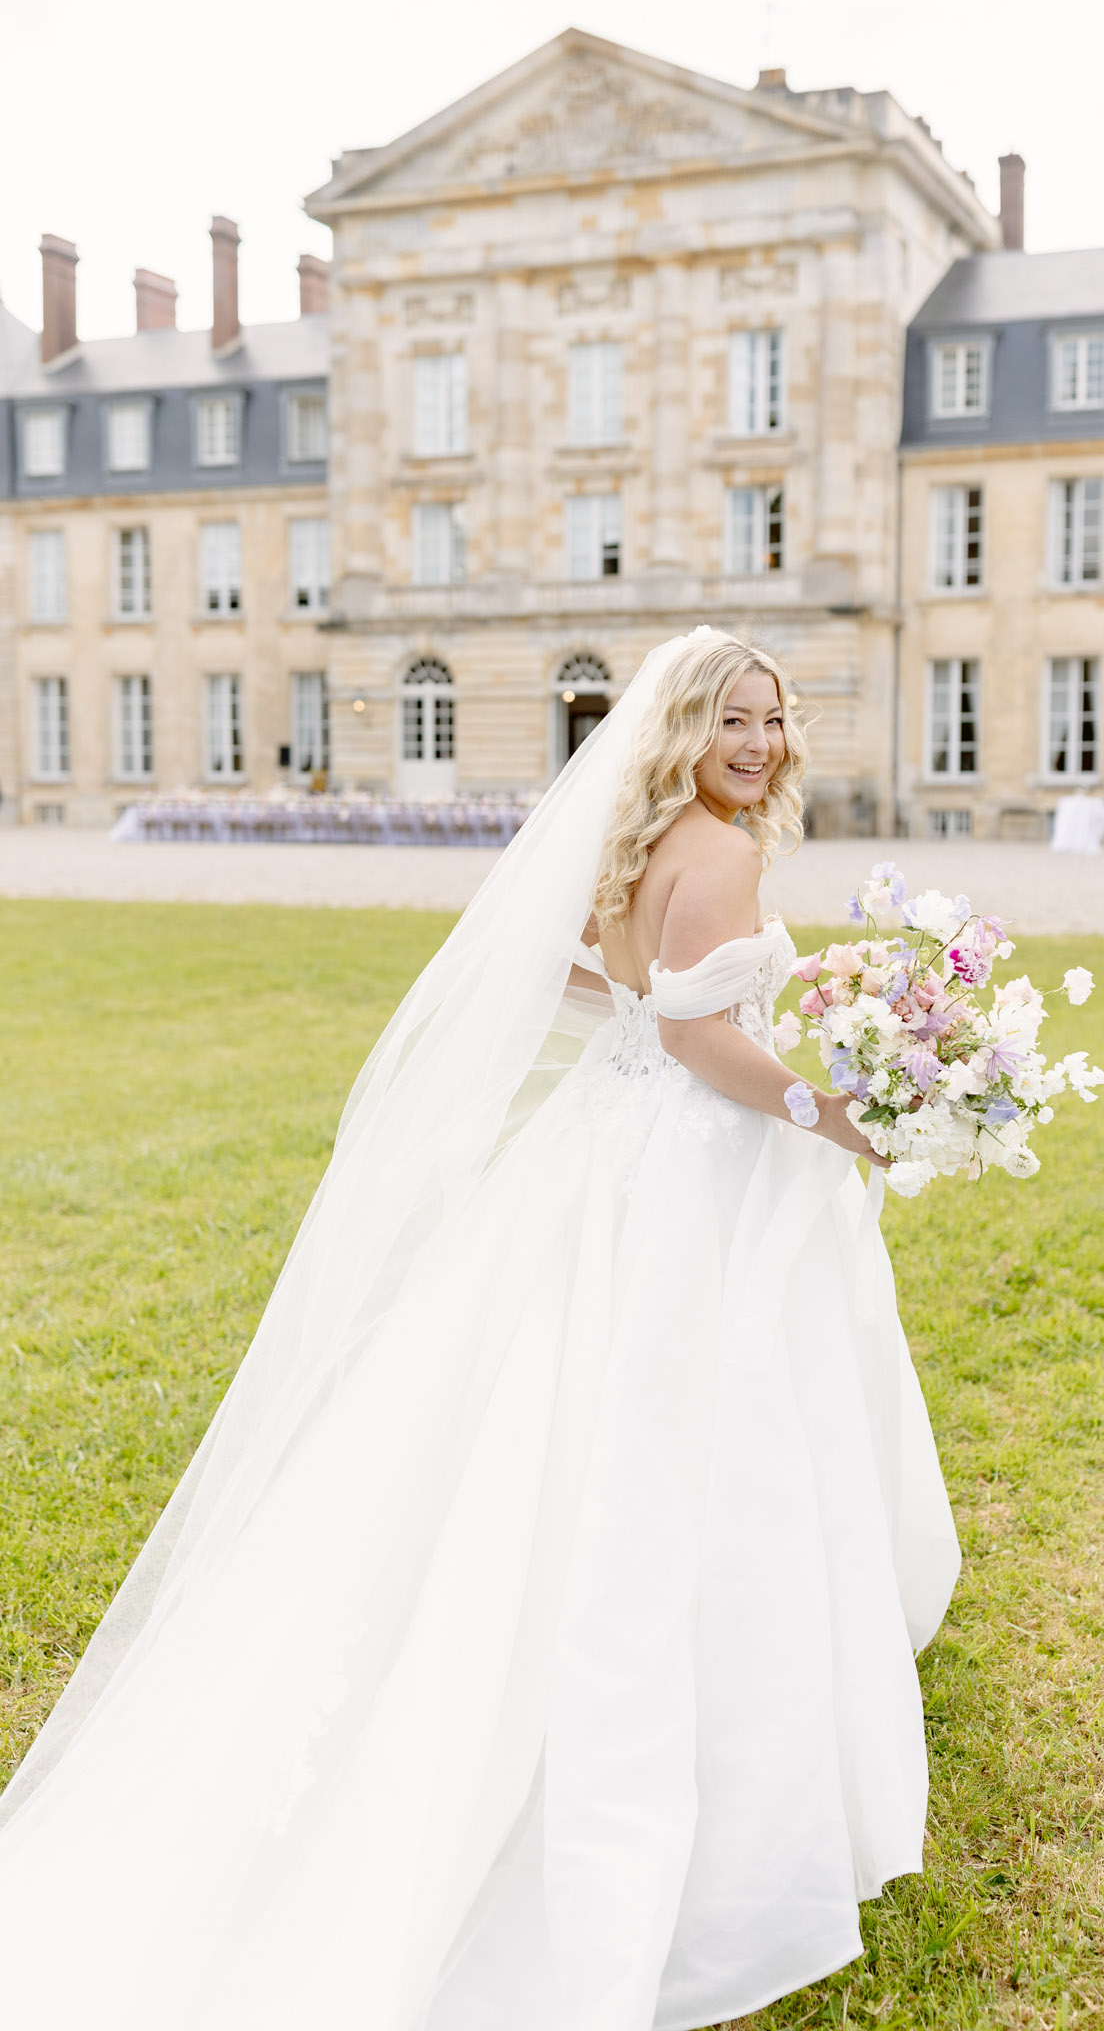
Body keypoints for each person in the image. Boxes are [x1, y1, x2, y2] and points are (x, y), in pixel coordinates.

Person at [0, 628, 959, 2031]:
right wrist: (841, 1116)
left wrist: (778, 1001)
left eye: (773, 719)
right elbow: (699, 1043)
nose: (759, 743)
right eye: (733, 721)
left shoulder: (639, 843)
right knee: (689, 1429)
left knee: (543, 1413)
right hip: (686, 1163)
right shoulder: (724, 851)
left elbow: (611, 986)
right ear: (682, 726)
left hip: (599, 1147)